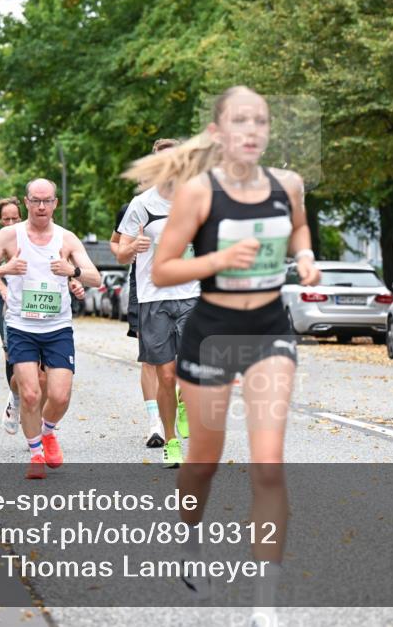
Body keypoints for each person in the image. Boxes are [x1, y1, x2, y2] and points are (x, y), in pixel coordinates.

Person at [122, 86, 320, 623]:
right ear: (217, 133)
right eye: (240, 121)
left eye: (260, 121)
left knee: (268, 465)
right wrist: (220, 260)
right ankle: (189, 541)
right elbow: (163, 268)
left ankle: (265, 602)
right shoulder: (197, 194)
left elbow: (299, 226)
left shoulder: (288, 184)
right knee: (203, 461)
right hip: (211, 332)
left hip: (269, 333)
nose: (252, 131)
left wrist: (304, 256)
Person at [0, 178, 101, 479]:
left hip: (57, 327)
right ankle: (36, 454)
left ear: (55, 203)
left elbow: (96, 278)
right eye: (36, 200)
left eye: (47, 200)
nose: (41, 206)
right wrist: (6, 268)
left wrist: (72, 271)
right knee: (30, 394)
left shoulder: (67, 239)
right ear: (26, 202)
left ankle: (48, 431)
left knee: (60, 396)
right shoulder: (9, 236)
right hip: (21, 326)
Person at [117, 137, 198, 466]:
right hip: (154, 298)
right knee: (165, 376)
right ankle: (171, 440)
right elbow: (121, 253)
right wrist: (132, 248)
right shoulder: (141, 205)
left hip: (192, 294)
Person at [111, 202, 161, 447]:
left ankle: (180, 401)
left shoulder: (190, 202)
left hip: (183, 287)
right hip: (143, 288)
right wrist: (131, 248)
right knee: (150, 357)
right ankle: (155, 424)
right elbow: (115, 244)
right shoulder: (133, 208)